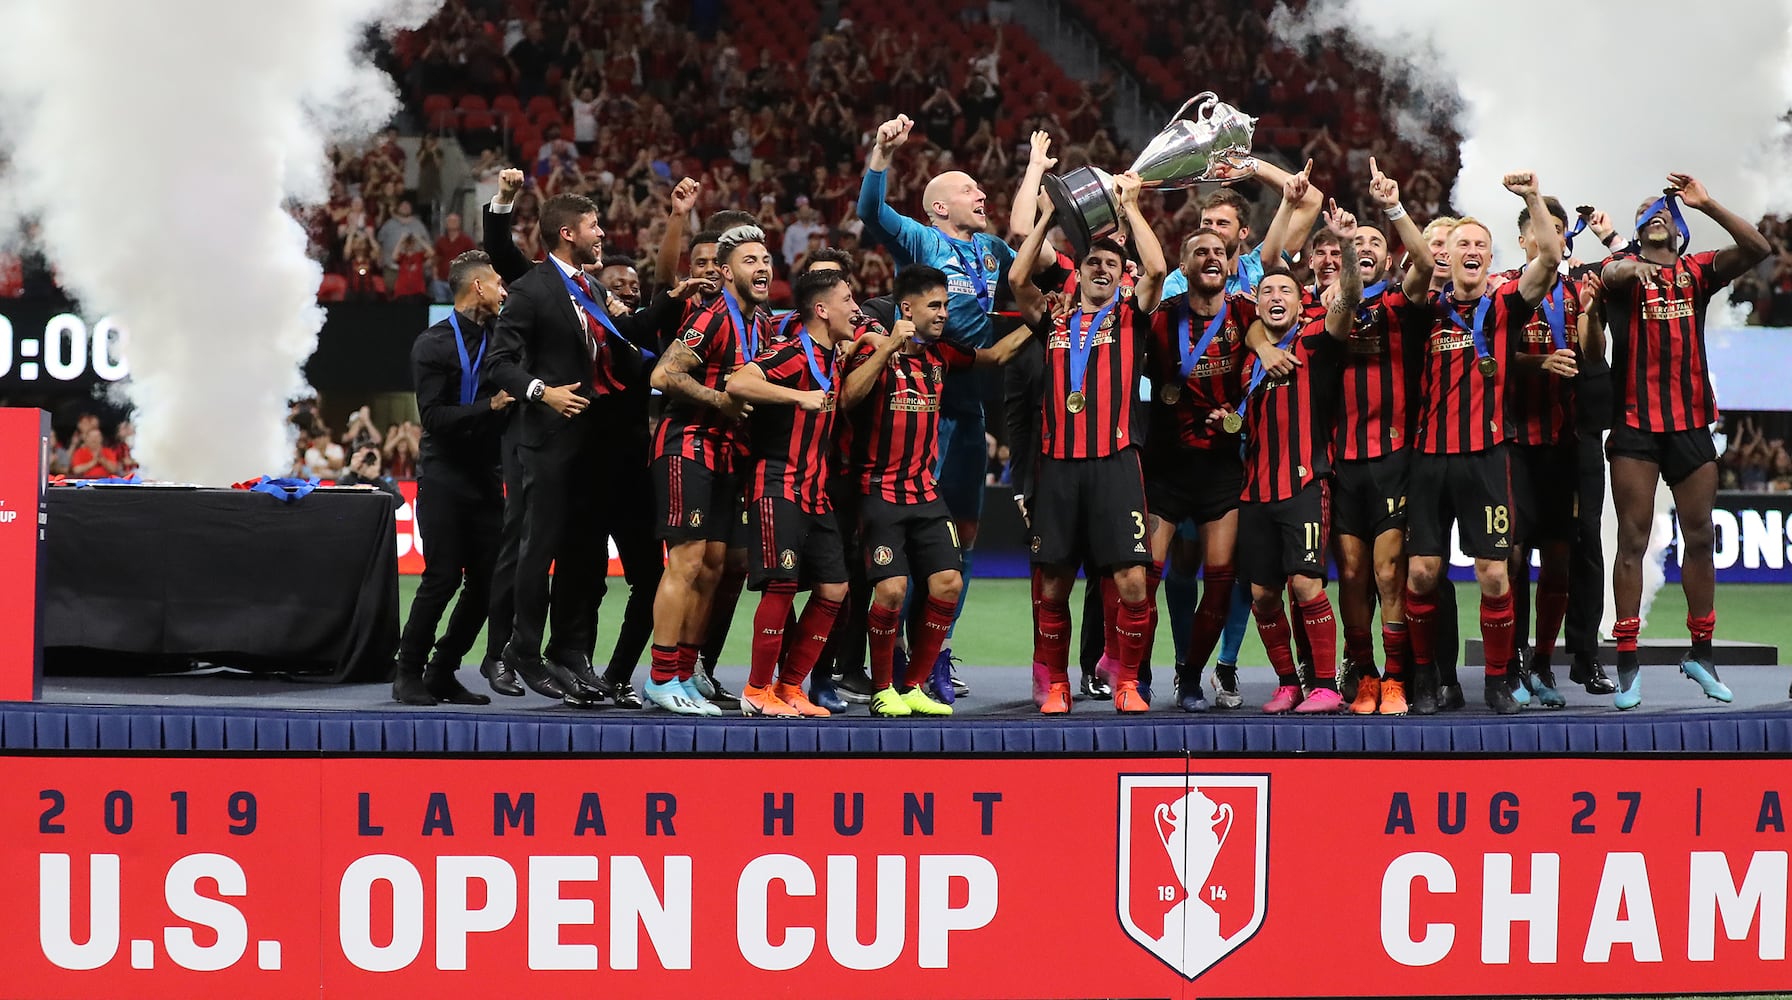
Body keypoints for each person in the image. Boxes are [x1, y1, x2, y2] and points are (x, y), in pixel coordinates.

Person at [859, 113, 1020, 702]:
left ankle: (938, 650)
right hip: (919, 408)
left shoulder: (992, 248)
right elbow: (872, 213)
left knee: (966, 536)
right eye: (968, 190)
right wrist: (882, 153)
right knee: (914, 535)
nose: (981, 194)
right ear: (937, 208)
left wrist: (1039, 178)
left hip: (971, 405)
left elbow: (1030, 251)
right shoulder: (923, 240)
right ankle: (896, 655)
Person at [1597, 173, 1770, 708]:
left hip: (1691, 424)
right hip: (1634, 426)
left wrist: (1707, 201)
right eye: (1646, 210)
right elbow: (1615, 271)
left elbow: (1758, 247)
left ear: (1680, 228)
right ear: (1636, 230)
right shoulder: (1620, 272)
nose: (1657, 212)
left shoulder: (1698, 272)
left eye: (1666, 210)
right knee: (1633, 539)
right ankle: (1627, 661)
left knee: (1699, 538)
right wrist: (1629, 258)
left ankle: (1702, 652)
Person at [484, 191, 653, 708]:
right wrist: (542, 391)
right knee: (539, 550)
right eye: (594, 225)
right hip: (546, 442)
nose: (602, 232)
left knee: (582, 556)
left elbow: (622, 345)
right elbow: (500, 364)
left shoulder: (592, 289)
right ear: (568, 233)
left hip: (590, 448)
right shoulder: (533, 289)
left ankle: (571, 652)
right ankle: (524, 651)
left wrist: (670, 301)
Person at [842, 264, 1035, 716]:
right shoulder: (872, 351)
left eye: (946, 305)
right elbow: (848, 397)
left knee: (947, 583)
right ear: (906, 308)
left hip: (926, 494)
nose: (944, 313)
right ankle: (882, 686)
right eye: (936, 305)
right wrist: (886, 345)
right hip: (879, 493)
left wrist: (1038, 321)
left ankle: (913, 686)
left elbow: (992, 357)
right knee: (890, 591)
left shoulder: (942, 355)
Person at [1403, 172, 1561, 716]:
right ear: (1445, 256)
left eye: (1480, 245)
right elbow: (1418, 265)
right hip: (1427, 461)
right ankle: (1425, 678)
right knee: (1422, 572)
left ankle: (1497, 680)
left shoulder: (1503, 307)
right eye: (1461, 244)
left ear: (1491, 260)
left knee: (1494, 573)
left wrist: (1533, 199)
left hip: (1488, 458)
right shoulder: (1422, 309)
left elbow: (1550, 260)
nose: (1470, 251)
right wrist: (1396, 208)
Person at [1009, 172, 1168, 715]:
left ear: (1121, 275)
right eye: (1093, 262)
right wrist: (1051, 220)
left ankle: (1126, 679)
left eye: (1112, 264)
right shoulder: (1051, 317)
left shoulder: (1130, 317)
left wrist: (1132, 209)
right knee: (1052, 586)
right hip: (1057, 468)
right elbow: (1017, 275)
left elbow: (1158, 269)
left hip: (1116, 465)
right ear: (1078, 272)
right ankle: (1055, 683)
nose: (1103, 269)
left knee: (1131, 583)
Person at [1236, 207, 1361, 713]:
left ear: (1301, 297)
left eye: (1285, 290)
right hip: (1254, 491)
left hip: (1307, 481)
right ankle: (1289, 681)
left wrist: (1348, 247)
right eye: (1267, 292)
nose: (1275, 297)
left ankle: (1327, 685)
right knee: (1263, 595)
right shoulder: (1251, 354)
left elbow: (1348, 302)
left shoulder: (1316, 336)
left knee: (1306, 583)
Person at [1324, 159, 1435, 716]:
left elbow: (1425, 260)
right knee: (1351, 574)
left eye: (1374, 243)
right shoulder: (1331, 307)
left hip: (1393, 459)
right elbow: (1342, 311)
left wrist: (1391, 207)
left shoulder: (1401, 304)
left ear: (1386, 257)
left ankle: (1394, 676)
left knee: (1390, 571)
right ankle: (1363, 673)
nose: (1364, 245)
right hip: (1342, 463)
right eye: (1356, 239)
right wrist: (1345, 248)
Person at [646, 223, 772, 715]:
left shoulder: (761, 322)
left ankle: (684, 670)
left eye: (765, 259)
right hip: (688, 446)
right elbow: (664, 374)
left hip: (729, 453)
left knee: (716, 567)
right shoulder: (713, 316)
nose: (761, 267)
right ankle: (659, 677)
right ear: (725, 272)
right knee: (688, 562)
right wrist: (719, 398)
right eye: (749, 260)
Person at [726, 267, 861, 716]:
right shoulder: (792, 354)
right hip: (777, 485)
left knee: (835, 588)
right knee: (781, 586)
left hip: (815, 491)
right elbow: (739, 382)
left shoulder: (832, 357)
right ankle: (756, 689)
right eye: (846, 299)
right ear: (821, 310)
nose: (854, 307)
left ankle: (790, 687)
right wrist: (797, 398)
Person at [393, 250, 513, 706]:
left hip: (487, 476)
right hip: (444, 475)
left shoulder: (500, 340)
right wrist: (491, 407)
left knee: (485, 583)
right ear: (477, 286)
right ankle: (407, 673)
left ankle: (442, 670)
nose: (505, 292)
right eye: (499, 283)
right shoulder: (433, 343)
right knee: (441, 577)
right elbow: (434, 416)